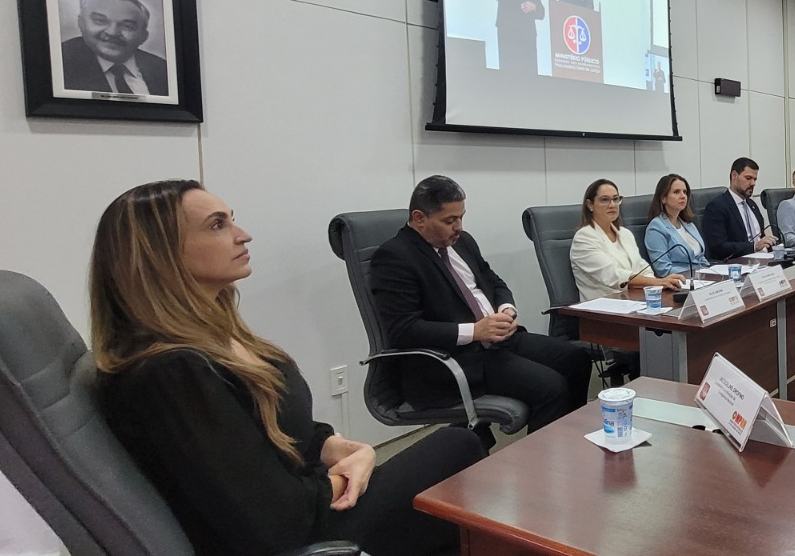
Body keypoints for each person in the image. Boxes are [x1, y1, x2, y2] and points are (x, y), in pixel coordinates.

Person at [92, 180, 483, 556]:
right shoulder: (172, 372)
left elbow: (273, 429)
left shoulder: (218, 338)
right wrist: (340, 477)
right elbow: (271, 521)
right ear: (159, 254)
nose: (243, 234)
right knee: (458, 448)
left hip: (310, 501)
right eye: (217, 225)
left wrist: (337, 446)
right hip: (306, 534)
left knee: (455, 508)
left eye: (231, 218)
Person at [369, 175, 590, 431]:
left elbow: (494, 282)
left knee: (577, 359)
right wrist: (475, 331)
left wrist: (507, 310)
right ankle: (541, 464)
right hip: (456, 359)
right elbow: (403, 330)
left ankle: (568, 445)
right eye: (449, 220)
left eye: (461, 217)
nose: (458, 227)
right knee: (551, 388)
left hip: (499, 341)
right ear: (419, 218)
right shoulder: (394, 257)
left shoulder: (462, 242)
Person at [571, 178, 684, 299]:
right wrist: (657, 282)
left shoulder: (625, 234)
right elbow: (613, 276)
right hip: (602, 307)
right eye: (605, 200)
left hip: (634, 300)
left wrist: (658, 287)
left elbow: (643, 269)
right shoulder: (583, 238)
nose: (612, 205)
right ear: (590, 205)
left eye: (616, 199)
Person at [61, 0, 169, 96]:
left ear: (143, 37)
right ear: (81, 24)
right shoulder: (61, 61)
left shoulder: (162, 70)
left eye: (127, 26)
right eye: (100, 21)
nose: (112, 32)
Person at [702, 157, 776, 260]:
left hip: (765, 259)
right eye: (748, 178)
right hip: (739, 263)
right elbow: (718, 247)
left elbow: (761, 236)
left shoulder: (752, 205)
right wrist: (754, 246)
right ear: (734, 176)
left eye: (755, 179)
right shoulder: (717, 206)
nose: (753, 183)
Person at [643, 173, 711, 277]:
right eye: (676, 192)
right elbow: (663, 269)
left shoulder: (688, 224)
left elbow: (700, 257)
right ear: (663, 198)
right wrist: (695, 275)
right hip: (680, 282)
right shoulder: (656, 228)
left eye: (685, 192)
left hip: (701, 278)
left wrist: (711, 273)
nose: (683, 196)